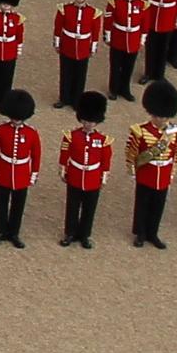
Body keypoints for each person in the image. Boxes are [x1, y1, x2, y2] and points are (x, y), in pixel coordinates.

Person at [125, 80, 177, 249]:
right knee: (142, 204)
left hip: (163, 172)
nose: (161, 119)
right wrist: (132, 168)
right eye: (158, 116)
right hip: (147, 171)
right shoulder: (141, 131)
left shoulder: (174, 133)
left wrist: (172, 171)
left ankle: (153, 233)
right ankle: (140, 233)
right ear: (151, 113)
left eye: (164, 116)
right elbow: (133, 151)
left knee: (158, 205)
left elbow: (176, 153)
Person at [0, 95, 42, 248]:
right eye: (14, 117)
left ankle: (14, 232)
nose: (16, 120)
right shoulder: (0, 130)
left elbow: (36, 155)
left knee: (18, 204)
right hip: (4, 169)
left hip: (22, 173)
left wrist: (34, 173)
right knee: (1, 203)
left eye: (19, 117)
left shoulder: (31, 133)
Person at [58, 93, 112, 248]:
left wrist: (104, 177)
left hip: (93, 177)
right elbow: (65, 154)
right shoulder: (71, 136)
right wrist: (63, 169)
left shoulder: (103, 140)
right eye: (86, 120)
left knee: (89, 209)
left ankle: (84, 235)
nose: (88, 124)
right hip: (75, 174)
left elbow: (105, 160)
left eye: (92, 121)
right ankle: (70, 233)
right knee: (72, 207)